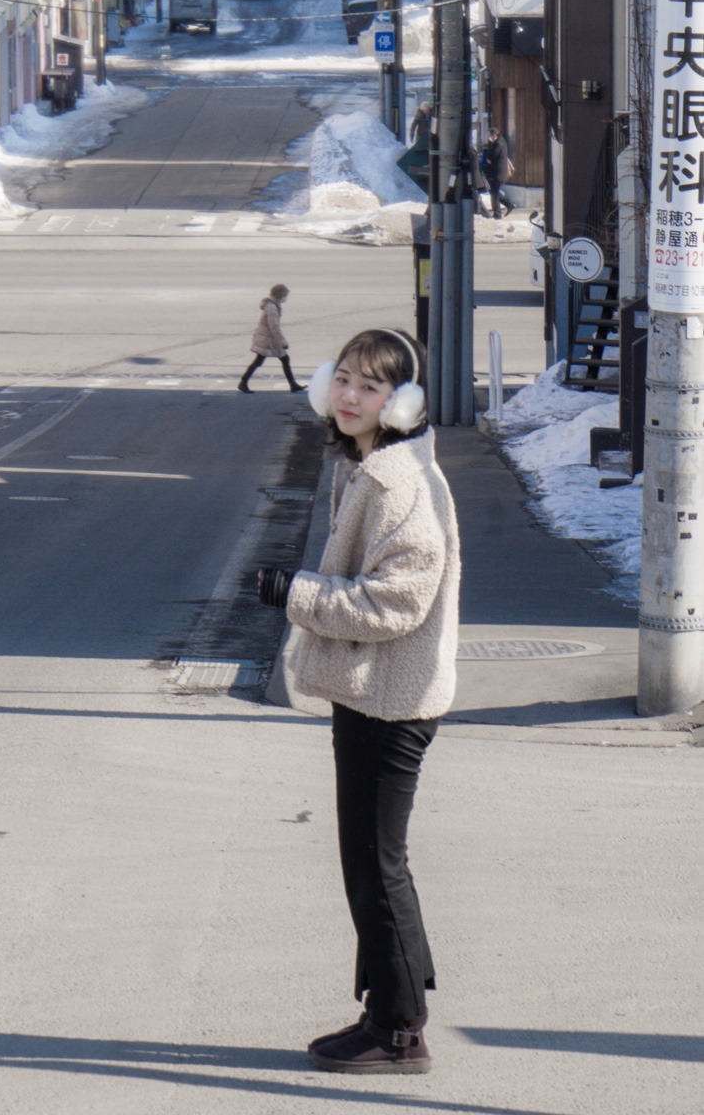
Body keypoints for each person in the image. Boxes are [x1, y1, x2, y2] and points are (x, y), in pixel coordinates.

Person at [255, 328, 460, 1077]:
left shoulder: (397, 484)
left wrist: (296, 593)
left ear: (400, 401)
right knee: (371, 862)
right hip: (376, 691)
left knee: (377, 865)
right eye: (342, 378)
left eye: (369, 386)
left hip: (392, 698)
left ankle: (400, 1030)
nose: (348, 396)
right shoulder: (370, 466)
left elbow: (394, 604)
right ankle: (388, 1008)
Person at [237, 284, 304, 393]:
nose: (286, 297)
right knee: (266, 361)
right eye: (285, 295)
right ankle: (243, 382)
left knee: (281, 359)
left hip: (269, 340)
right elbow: (274, 328)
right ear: (280, 295)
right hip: (268, 341)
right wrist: (282, 342)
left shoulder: (272, 305)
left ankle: (292, 384)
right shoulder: (271, 308)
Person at [478, 126, 513, 219]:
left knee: (494, 195)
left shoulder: (498, 145)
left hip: (497, 173)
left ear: (494, 136)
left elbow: (490, 157)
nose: (488, 138)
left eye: (489, 135)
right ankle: (508, 204)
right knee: (494, 191)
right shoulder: (501, 142)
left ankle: (497, 215)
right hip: (497, 172)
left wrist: (487, 153)